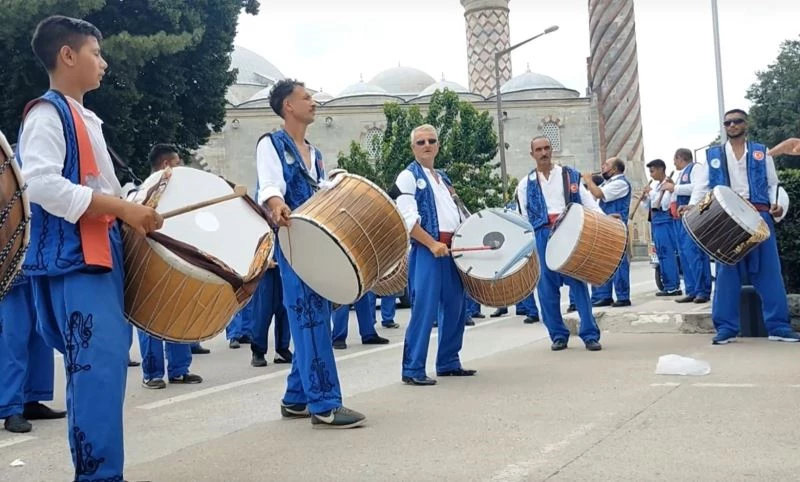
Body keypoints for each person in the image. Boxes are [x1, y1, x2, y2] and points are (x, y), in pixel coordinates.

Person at [16, 15, 163, 479]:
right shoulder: (46, 114)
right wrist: (120, 208)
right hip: (76, 261)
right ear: (67, 55)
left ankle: (101, 473)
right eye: (95, 53)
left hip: (97, 256)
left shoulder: (84, 118)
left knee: (103, 373)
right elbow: (40, 185)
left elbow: (100, 188)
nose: (103, 62)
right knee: (95, 374)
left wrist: (132, 204)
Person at [258, 78, 365, 428]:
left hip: (316, 243)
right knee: (309, 317)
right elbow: (270, 184)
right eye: (306, 98)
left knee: (313, 317)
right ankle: (325, 405)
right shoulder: (271, 144)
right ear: (288, 106)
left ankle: (295, 399)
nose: (314, 102)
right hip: (293, 244)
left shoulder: (314, 154)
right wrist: (276, 203)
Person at [702, 109, 800, 344]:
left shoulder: (760, 152)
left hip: (759, 215)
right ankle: (726, 328)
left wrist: (777, 204)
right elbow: (703, 187)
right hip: (726, 218)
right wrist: (695, 207)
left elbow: (773, 184)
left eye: (737, 121)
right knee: (727, 274)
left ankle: (778, 327)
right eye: (728, 122)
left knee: (768, 271)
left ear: (746, 124)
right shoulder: (713, 155)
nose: (732, 125)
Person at [392, 124, 476, 385]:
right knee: (424, 310)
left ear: (438, 145)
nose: (427, 145)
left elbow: (458, 212)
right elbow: (406, 218)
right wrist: (431, 244)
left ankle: (449, 362)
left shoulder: (444, 178)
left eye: (431, 141)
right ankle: (413, 368)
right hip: (427, 249)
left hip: (453, 249)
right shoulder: (407, 176)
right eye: (421, 142)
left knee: (456, 307)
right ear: (413, 148)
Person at [515, 136, 603, 351]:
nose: (543, 153)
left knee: (578, 283)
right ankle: (558, 335)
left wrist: (604, 220)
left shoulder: (569, 175)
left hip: (568, 230)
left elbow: (588, 203)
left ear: (551, 150)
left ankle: (589, 334)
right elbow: (523, 217)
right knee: (546, 288)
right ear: (532, 154)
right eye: (538, 150)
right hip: (542, 234)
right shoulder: (525, 183)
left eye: (546, 148)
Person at [136, 144, 203, 389]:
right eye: (177, 162)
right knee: (151, 318)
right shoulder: (142, 194)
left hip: (177, 261)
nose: (180, 167)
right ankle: (152, 373)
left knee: (178, 314)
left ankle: (179, 369)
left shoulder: (180, 194)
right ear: (166, 165)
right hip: (149, 262)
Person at [0, 275, 66, 433]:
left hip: (35, 268)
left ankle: (31, 399)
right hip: (9, 268)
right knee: (12, 336)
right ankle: (10, 407)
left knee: (40, 333)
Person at [581, 157, 632, 307]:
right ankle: (604, 295)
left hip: (617, 227)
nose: (603, 167)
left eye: (606, 165)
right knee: (603, 261)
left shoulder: (620, 183)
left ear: (615, 169)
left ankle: (623, 296)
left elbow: (598, 194)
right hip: (605, 226)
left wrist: (588, 180)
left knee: (618, 263)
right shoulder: (607, 183)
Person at [669, 148, 711, 304]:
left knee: (695, 254)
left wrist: (675, 188)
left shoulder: (696, 168)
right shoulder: (681, 174)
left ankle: (702, 290)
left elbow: (699, 188)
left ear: (680, 158)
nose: (674, 163)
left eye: (675, 159)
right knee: (685, 255)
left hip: (693, 217)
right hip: (681, 219)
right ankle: (691, 289)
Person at [642, 159, 682, 296]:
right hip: (656, 222)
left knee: (667, 254)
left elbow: (664, 204)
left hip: (665, 222)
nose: (651, 174)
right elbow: (649, 206)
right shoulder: (658, 187)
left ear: (660, 169)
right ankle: (667, 285)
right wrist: (645, 198)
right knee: (661, 255)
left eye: (652, 171)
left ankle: (673, 286)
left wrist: (651, 193)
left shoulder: (668, 185)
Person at [249, 256, 293, 367]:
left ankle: (282, 350)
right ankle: (258, 350)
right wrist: (263, 260)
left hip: (284, 263)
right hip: (265, 265)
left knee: (285, 309)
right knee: (263, 309)